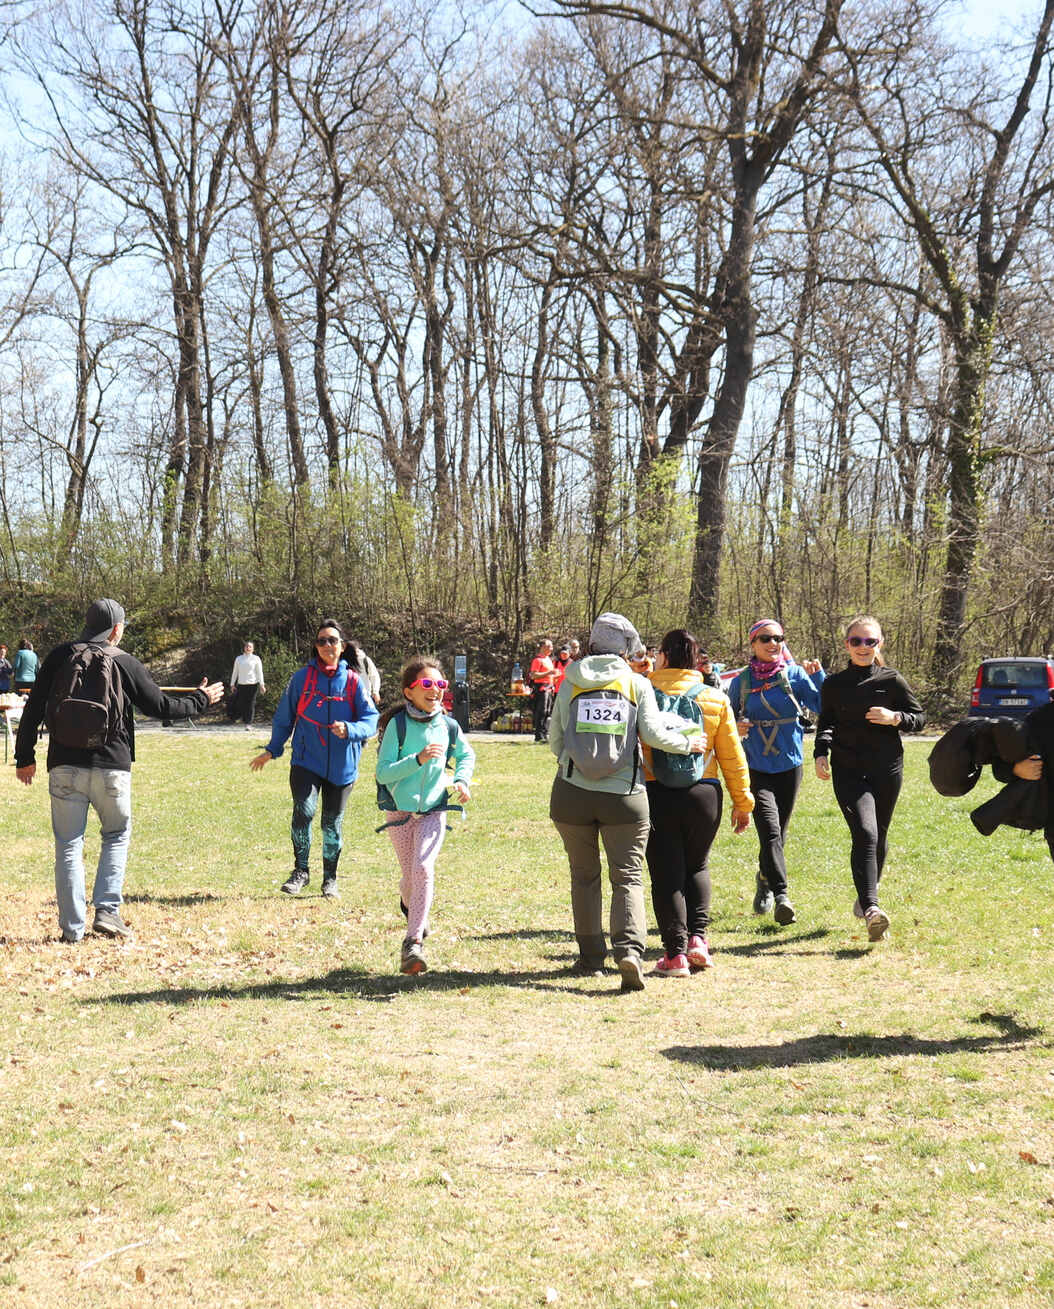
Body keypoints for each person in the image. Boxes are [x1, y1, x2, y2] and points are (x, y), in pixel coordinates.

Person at [14, 599, 223, 942]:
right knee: (115, 836)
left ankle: (72, 931)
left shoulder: (58, 656)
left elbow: (34, 707)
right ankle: (107, 912)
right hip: (112, 768)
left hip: (65, 767)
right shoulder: (124, 661)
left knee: (68, 845)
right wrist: (201, 699)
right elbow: (161, 706)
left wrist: (25, 757)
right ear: (115, 629)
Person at [547, 612, 706, 992]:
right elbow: (651, 733)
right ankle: (629, 952)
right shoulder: (637, 683)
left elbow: (555, 739)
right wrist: (688, 743)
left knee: (583, 878)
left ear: (592, 645)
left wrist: (577, 765)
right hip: (625, 797)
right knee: (628, 877)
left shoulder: (568, 681)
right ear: (627, 650)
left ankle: (589, 958)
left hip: (571, 796)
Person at [644, 629, 754, 976]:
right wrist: (742, 800)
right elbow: (732, 755)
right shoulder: (714, 698)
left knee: (666, 874)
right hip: (704, 792)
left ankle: (674, 956)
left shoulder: (642, 693)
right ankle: (698, 942)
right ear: (695, 661)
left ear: (662, 656)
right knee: (697, 866)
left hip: (655, 790)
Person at [814, 615, 925, 941]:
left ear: (880, 644)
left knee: (879, 834)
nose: (863, 647)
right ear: (847, 644)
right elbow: (827, 722)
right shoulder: (834, 683)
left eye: (870, 641)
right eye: (856, 641)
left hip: (887, 769)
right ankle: (873, 909)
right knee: (865, 831)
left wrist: (895, 718)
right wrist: (821, 752)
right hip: (848, 769)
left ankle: (866, 894)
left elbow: (919, 718)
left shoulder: (892, 680)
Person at [250, 620, 378, 899]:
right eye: (321, 641)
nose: (327, 645)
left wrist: (350, 729)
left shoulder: (355, 682)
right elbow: (284, 718)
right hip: (306, 761)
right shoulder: (301, 679)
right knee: (304, 813)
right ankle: (300, 872)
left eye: (332, 640)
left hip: (343, 767)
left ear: (342, 647)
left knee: (331, 824)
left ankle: (330, 879)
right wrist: (272, 749)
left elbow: (371, 720)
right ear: (316, 647)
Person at [376, 656, 475, 975]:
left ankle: (413, 942)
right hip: (400, 811)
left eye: (441, 684)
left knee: (423, 869)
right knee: (409, 879)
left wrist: (461, 778)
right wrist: (416, 760)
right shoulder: (398, 726)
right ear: (409, 691)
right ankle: (412, 907)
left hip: (434, 809)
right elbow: (382, 773)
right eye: (427, 684)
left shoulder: (448, 725)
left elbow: (466, 754)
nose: (436, 690)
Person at [727, 618, 825, 926]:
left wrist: (819, 676)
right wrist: (736, 725)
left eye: (778, 638)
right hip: (755, 766)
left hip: (790, 765)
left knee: (778, 834)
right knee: (769, 831)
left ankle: (764, 877)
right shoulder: (741, 681)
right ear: (753, 644)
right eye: (766, 638)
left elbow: (825, 705)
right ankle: (782, 896)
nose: (773, 644)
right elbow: (726, 720)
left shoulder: (794, 675)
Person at [229, 640, 266, 729]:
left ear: (253, 649)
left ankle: (248, 723)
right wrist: (232, 684)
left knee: (251, 704)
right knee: (242, 704)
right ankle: (243, 720)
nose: (248, 648)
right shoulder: (239, 659)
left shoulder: (256, 659)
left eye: (250, 647)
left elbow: (259, 672)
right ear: (244, 648)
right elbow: (235, 672)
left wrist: (262, 684)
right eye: (246, 646)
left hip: (253, 684)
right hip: (241, 684)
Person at [529, 638, 556, 742]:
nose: (551, 648)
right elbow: (533, 675)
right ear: (542, 647)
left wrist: (554, 678)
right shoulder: (537, 660)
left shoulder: (548, 659)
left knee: (547, 711)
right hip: (541, 688)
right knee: (541, 711)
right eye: (549, 646)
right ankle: (538, 735)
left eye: (551, 646)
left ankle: (544, 734)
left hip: (549, 687)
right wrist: (549, 673)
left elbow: (550, 675)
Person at [345, 638, 382, 705]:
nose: (357, 651)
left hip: (366, 697)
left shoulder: (365, 660)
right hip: (349, 699)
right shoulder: (344, 663)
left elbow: (374, 676)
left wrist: (375, 691)